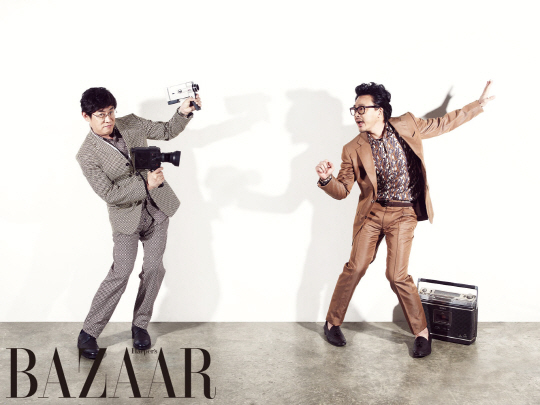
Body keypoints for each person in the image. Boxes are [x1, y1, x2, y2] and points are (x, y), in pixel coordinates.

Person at [315, 81, 494, 357]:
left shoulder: (407, 124)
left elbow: (442, 123)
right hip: (372, 215)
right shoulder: (352, 148)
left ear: (380, 110)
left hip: (403, 214)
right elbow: (342, 191)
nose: (357, 114)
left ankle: (422, 333)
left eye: (362, 109)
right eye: (355, 109)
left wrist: (477, 105)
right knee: (355, 267)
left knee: (396, 275)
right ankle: (332, 322)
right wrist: (327, 179)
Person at [76, 87, 201, 359]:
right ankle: (88, 333)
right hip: (126, 219)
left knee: (154, 269)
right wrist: (146, 184)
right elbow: (109, 193)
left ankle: (140, 325)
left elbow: (166, 130)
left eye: (111, 112)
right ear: (86, 116)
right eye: (100, 115)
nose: (108, 119)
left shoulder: (131, 123)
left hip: (158, 209)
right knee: (120, 273)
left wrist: (183, 112)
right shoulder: (86, 155)